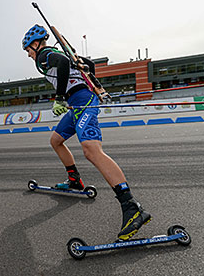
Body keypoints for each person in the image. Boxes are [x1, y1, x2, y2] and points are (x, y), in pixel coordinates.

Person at [22, 24, 151, 241]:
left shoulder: (44, 55)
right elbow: (88, 64)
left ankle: (132, 207)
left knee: (91, 150)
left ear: (36, 44)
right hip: (77, 103)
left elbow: (62, 63)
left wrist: (60, 97)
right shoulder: (57, 52)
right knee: (56, 140)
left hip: (82, 100)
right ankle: (74, 180)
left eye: (28, 49)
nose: (28, 54)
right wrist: (84, 71)